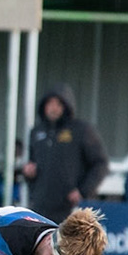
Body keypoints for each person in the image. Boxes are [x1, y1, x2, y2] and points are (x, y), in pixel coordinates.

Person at [23, 83, 109, 225]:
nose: (53, 108)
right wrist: (28, 173)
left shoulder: (81, 130)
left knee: (68, 245)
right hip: (40, 207)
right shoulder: (36, 132)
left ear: (66, 106)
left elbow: (100, 164)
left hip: (70, 208)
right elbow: (32, 163)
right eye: (50, 103)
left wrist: (83, 191)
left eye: (58, 104)